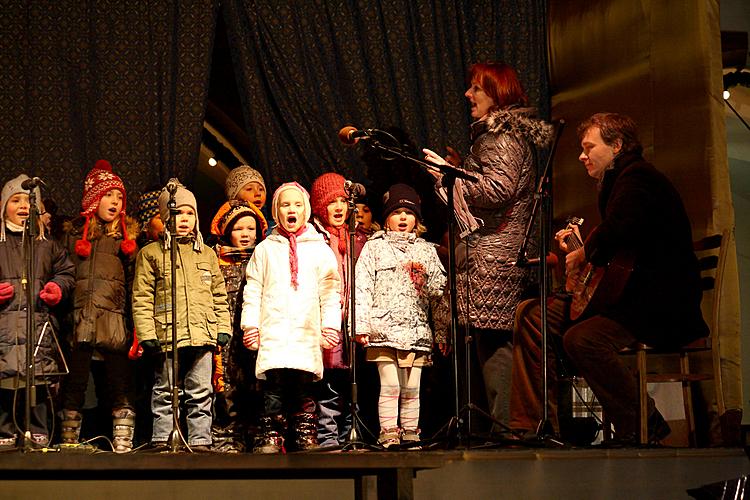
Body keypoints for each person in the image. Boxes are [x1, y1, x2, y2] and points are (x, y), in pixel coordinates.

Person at [508, 112, 709, 444]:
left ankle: (643, 422)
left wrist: (584, 252)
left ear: (616, 145)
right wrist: (582, 255)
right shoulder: (619, 183)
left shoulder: (638, 178)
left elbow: (621, 230)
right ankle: (531, 426)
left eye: (589, 147)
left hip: (657, 305)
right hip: (624, 298)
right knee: (532, 316)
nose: (581, 155)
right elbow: (620, 248)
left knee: (582, 339)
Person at [423, 62, 553, 431]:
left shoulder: (502, 137)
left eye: (476, 89)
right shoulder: (498, 136)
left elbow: (497, 190)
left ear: (497, 93)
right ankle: (499, 427)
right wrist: (459, 172)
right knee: (488, 341)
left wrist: (448, 179)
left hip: (497, 258)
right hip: (495, 254)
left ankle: (508, 427)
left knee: (496, 343)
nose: (468, 95)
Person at [240, 182, 341, 454]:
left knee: (303, 388)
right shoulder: (265, 249)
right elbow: (253, 290)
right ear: (276, 211)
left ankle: (304, 434)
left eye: (297, 204)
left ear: (306, 210)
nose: (291, 209)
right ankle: (272, 433)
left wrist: (330, 325)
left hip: (305, 331)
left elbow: (331, 291)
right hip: (274, 331)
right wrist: (250, 325)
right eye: (285, 205)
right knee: (272, 388)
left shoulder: (320, 249)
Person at [132, 179, 231, 451]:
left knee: (200, 390)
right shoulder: (151, 254)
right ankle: (163, 438)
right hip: (167, 333)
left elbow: (218, 294)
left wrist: (223, 327)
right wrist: (146, 333)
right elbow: (142, 297)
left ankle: (200, 439)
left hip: (202, 333)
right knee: (165, 390)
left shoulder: (207, 254)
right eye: (177, 214)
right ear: (165, 217)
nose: (184, 219)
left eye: (190, 213)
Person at [354, 183, 447, 447]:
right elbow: (362, 286)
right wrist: (360, 326)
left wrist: (442, 331)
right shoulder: (374, 248)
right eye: (396, 213)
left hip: (416, 331)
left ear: (417, 218)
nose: (403, 218)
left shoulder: (427, 251)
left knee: (412, 388)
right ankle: (388, 432)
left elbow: (439, 295)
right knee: (391, 384)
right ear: (386, 219)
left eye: (408, 213)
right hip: (382, 330)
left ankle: (409, 431)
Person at [59, 160, 140, 453]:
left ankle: (122, 439)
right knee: (75, 382)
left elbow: (134, 285)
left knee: (119, 384)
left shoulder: (126, 240)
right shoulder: (73, 237)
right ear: (94, 199)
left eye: (120, 198)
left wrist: (135, 328)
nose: (116, 203)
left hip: (114, 321)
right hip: (81, 318)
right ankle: (68, 439)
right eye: (109, 196)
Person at [0, 175, 75, 449]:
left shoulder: (47, 244)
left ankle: (38, 428)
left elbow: (66, 271)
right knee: (5, 376)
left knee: (38, 377)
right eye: (15, 200)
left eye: (27, 202)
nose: (22, 206)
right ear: (3, 206)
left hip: (38, 321)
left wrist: (57, 287)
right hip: (5, 323)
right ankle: (5, 429)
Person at [309, 172, 367, 448]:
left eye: (344, 201)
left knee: (351, 382)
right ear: (321, 205)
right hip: (326, 321)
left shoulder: (357, 238)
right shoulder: (313, 239)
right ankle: (327, 437)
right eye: (333, 202)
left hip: (352, 321)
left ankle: (349, 436)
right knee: (328, 382)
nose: (340, 208)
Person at [209, 199, 267, 452]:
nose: (245, 235)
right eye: (239, 229)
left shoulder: (264, 256)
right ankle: (225, 435)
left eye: (250, 229)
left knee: (255, 382)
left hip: (256, 331)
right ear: (227, 231)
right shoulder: (215, 259)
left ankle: (253, 433)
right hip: (225, 331)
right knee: (226, 384)